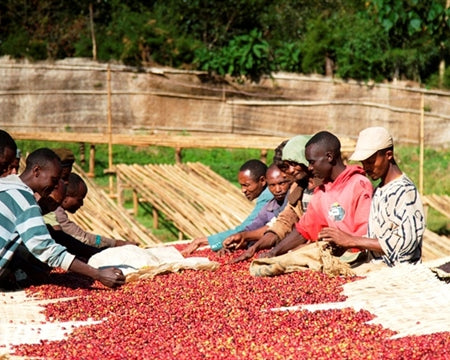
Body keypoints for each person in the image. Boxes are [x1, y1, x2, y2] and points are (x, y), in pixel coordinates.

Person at [235, 131, 373, 262]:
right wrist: (272, 252)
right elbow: (302, 227)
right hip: (327, 253)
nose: (310, 167)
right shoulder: (318, 189)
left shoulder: (358, 184)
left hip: (355, 256)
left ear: (329, 157)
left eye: (311, 162)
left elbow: (364, 233)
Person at [0, 147, 125, 289]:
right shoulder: (25, 201)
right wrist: (98, 274)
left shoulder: (5, 185)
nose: (54, 186)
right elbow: (46, 249)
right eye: (54, 180)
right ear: (36, 171)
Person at [319, 126, 425, 267]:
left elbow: (405, 245)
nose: (366, 168)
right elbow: (379, 238)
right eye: (363, 163)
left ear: (388, 155)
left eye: (370, 161)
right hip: (378, 270)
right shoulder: (380, 190)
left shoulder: (404, 191)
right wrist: (345, 244)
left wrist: (352, 240)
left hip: (402, 275)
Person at [225, 135, 315, 256]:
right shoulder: (297, 190)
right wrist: (254, 246)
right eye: (287, 166)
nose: (291, 171)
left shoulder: (326, 187)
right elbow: (284, 222)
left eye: (294, 163)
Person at [181, 159, 272, 255]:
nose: (243, 190)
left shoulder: (267, 196)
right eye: (241, 186)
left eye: (246, 185)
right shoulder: (266, 195)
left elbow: (246, 228)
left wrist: (202, 241)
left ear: (262, 181)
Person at [51, 173, 137, 248]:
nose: (81, 204)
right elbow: (83, 237)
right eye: (79, 199)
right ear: (66, 197)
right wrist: (115, 243)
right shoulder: (55, 212)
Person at [222, 163, 292, 251]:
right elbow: (252, 228)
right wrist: (234, 241)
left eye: (281, 183)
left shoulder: (294, 202)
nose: (277, 190)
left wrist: (245, 236)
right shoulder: (269, 207)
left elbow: (276, 227)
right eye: (272, 185)